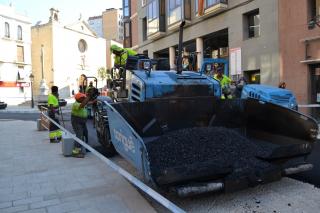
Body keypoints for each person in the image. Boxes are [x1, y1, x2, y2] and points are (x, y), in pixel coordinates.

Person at [71, 92, 92, 158]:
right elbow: (82, 105)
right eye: (83, 98)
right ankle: (76, 152)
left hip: (82, 122)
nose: (84, 99)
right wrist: (88, 97)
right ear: (78, 99)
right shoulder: (76, 104)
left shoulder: (81, 102)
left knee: (85, 133)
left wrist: (94, 100)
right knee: (79, 135)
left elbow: (87, 103)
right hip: (77, 122)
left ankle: (85, 148)